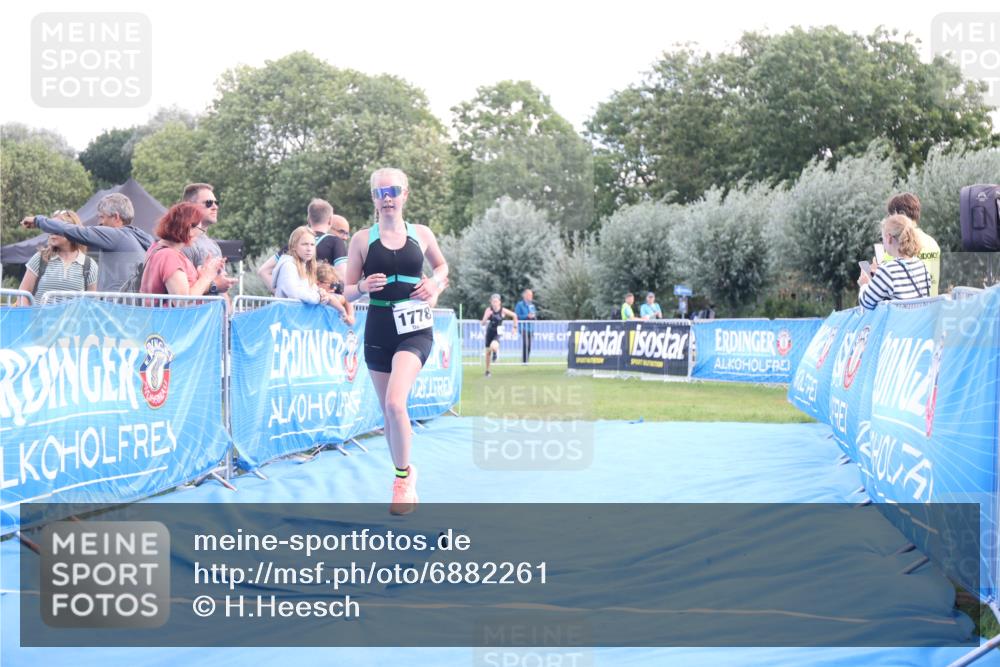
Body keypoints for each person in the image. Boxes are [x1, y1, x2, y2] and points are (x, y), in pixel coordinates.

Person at [343, 167, 448, 515]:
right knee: (388, 414)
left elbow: (442, 268)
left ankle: (402, 480)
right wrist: (362, 287)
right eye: (380, 192)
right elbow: (347, 290)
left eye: (393, 191)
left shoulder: (421, 233)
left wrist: (434, 285)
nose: (387, 198)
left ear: (405, 194)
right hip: (378, 328)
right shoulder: (361, 240)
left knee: (395, 404)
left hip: (414, 329)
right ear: (373, 198)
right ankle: (405, 471)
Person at [21, 193, 154, 292]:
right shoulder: (142, 239)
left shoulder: (116, 236)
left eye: (102, 217)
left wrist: (38, 221)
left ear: (116, 217)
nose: (99, 223)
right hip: (136, 313)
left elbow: (76, 231)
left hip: (116, 312)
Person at [139, 203, 225, 302]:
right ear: (189, 228)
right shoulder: (169, 256)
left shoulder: (158, 249)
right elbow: (182, 301)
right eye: (200, 229)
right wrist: (206, 277)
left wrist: (202, 275)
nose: (199, 234)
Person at [258, 201, 349, 290]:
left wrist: (281, 292)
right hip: (323, 298)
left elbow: (263, 271)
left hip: (295, 299)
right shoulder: (336, 242)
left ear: (308, 219)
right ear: (330, 220)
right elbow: (342, 277)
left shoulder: (295, 243)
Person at [16, 210, 99, 305]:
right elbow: (23, 294)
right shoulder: (41, 257)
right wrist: (27, 314)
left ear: (72, 231)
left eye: (56, 229)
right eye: (49, 228)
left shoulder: (89, 265)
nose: (51, 233)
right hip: (39, 315)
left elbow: (92, 304)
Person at [858, 214, 931, 310]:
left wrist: (864, 284)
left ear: (889, 238)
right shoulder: (921, 265)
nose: (882, 242)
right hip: (919, 318)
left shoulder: (887, 270)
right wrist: (879, 277)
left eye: (882, 239)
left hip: (900, 319)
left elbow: (866, 303)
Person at [180, 183, 238, 301]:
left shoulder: (214, 245)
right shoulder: (184, 243)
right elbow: (182, 294)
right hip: (196, 312)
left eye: (216, 203)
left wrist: (229, 310)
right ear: (190, 206)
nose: (215, 207)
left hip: (217, 311)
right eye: (208, 203)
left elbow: (222, 289)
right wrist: (214, 286)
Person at [883, 192, 940, 296]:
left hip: (905, 305)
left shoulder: (896, 244)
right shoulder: (932, 243)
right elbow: (934, 281)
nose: (889, 220)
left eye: (890, 215)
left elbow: (886, 284)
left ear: (900, 215)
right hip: (931, 302)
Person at [272, 226, 339, 306]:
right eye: (304, 244)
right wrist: (318, 297)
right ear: (294, 246)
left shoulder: (306, 267)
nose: (309, 249)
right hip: (286, 313)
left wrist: (323, 295)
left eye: (312, 244)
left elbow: (314, 292)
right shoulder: (288, 266)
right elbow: (294, 293)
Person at [481, 293, 518, 377]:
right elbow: (483, 323)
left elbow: (514, 316)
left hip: (498, 332)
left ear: (499, 302)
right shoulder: (488, 310)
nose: (494, 303)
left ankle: (495, 352)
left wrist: (515, 327)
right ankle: (487, 371)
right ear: (491, 302)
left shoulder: (503, 310)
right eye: (493, 302)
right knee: (488, 353)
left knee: (493, 346)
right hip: (490, 331)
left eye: (496, 301)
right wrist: (486, 316)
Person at [514, 288, 537, 364]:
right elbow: (516, 316)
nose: (531, 297)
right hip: (523, 327)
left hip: (531, 328)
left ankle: (526, 360)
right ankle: (524, 361)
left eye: (531, 295)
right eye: (529, 295)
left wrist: (533, 317)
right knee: (526, 344)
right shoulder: (519, 305)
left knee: (529, 345)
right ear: (525, 295)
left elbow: (534, 316)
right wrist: (527, 316)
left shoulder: (532, 305)